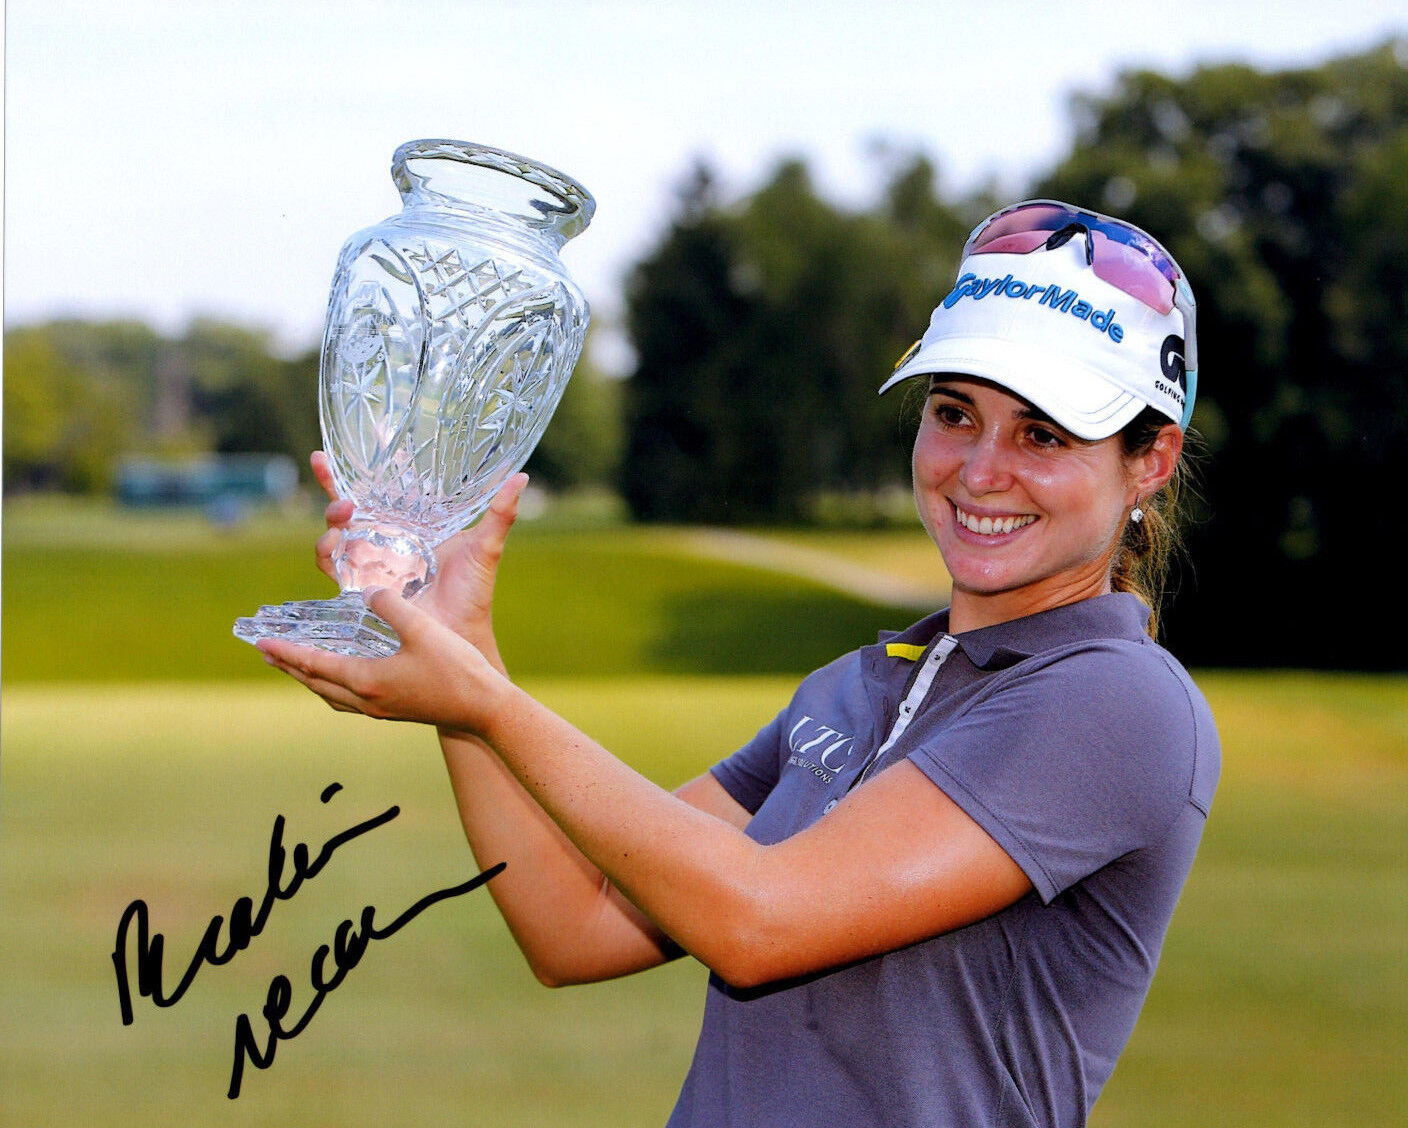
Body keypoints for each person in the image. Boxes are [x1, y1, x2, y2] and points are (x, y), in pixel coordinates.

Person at [259, 199, 1220, 1128]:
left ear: (1152, 461)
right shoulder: (855, 685)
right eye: (955, 414)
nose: (978, 470)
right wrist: (466, 664)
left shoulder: (1118, 700)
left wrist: (488, 703)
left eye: (1043, 435)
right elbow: (576, 925)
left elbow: (757, 923)